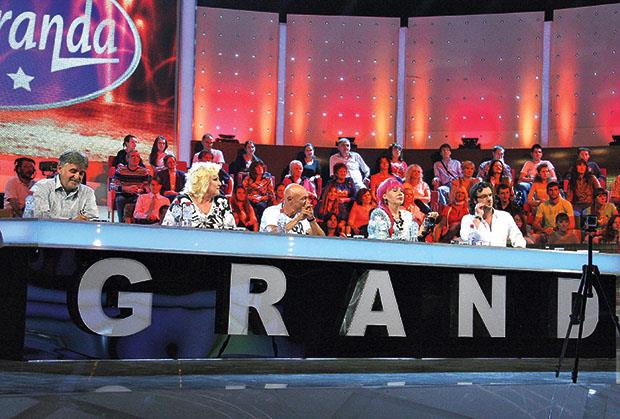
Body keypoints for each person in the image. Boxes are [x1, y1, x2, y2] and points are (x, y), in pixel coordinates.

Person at [162, 162, 235, 229]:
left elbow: (231, 231)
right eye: (215, 179)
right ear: (203, 181)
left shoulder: (222, 202)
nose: (220, 183)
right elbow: (168, 231)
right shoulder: (181, 201)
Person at [30, 150, 98, 220]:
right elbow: (39, 216)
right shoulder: (41, 187)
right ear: (60, 169)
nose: (77, 177)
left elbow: (92, 219)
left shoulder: (88, 192)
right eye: (73, 171)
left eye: (81, 173)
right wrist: (72, 221)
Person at [368, 178, 437, 241]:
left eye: (401, 191)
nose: (400, 193)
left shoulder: (407, 215)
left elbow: (415, 240)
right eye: (395, 190)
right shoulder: (378, 214)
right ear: (384, 196)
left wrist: (426, 224)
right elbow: (381, 241)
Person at [459, 181, 526, 247]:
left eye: (490, 195)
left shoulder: (505, 216)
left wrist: (519, 248)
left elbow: (518, 238)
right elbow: (468, 240)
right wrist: (478, 217)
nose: (489, 199)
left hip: (500, 254)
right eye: (484, 196)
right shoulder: (467, 219)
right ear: (475, 200)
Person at [260, 183, 325, 236]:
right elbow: (274, 235)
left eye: (308, 198)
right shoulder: (272, 212)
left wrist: (311, 220)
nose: (308, 202)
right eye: (304, 198)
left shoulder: (303, 216)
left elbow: (321, 239)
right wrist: (297, 219)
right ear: (290, 199)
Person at [113, 150, 151, 222]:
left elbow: (148, 187)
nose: (135, 158)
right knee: (120, 200)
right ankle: (121, 223)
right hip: (123, 194)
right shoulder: (121, 170)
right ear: (127, 159)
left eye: (138, 157)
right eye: (133, 156)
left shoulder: (144, 171)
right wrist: (125, 188)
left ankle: (137, 222)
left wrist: (141, 190)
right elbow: (112, 186)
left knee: (142, 200)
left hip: (138, 195)